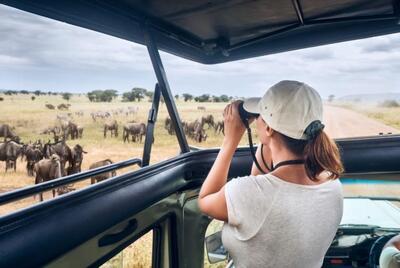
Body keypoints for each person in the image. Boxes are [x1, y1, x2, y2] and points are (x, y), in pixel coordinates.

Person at [198, 80, 344, 268]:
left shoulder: (250, 193)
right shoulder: (333, 185)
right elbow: (264, 184)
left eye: (261, 116)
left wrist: (230, 140)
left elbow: (205, 200)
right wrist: (268, 140)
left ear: (268, 128)